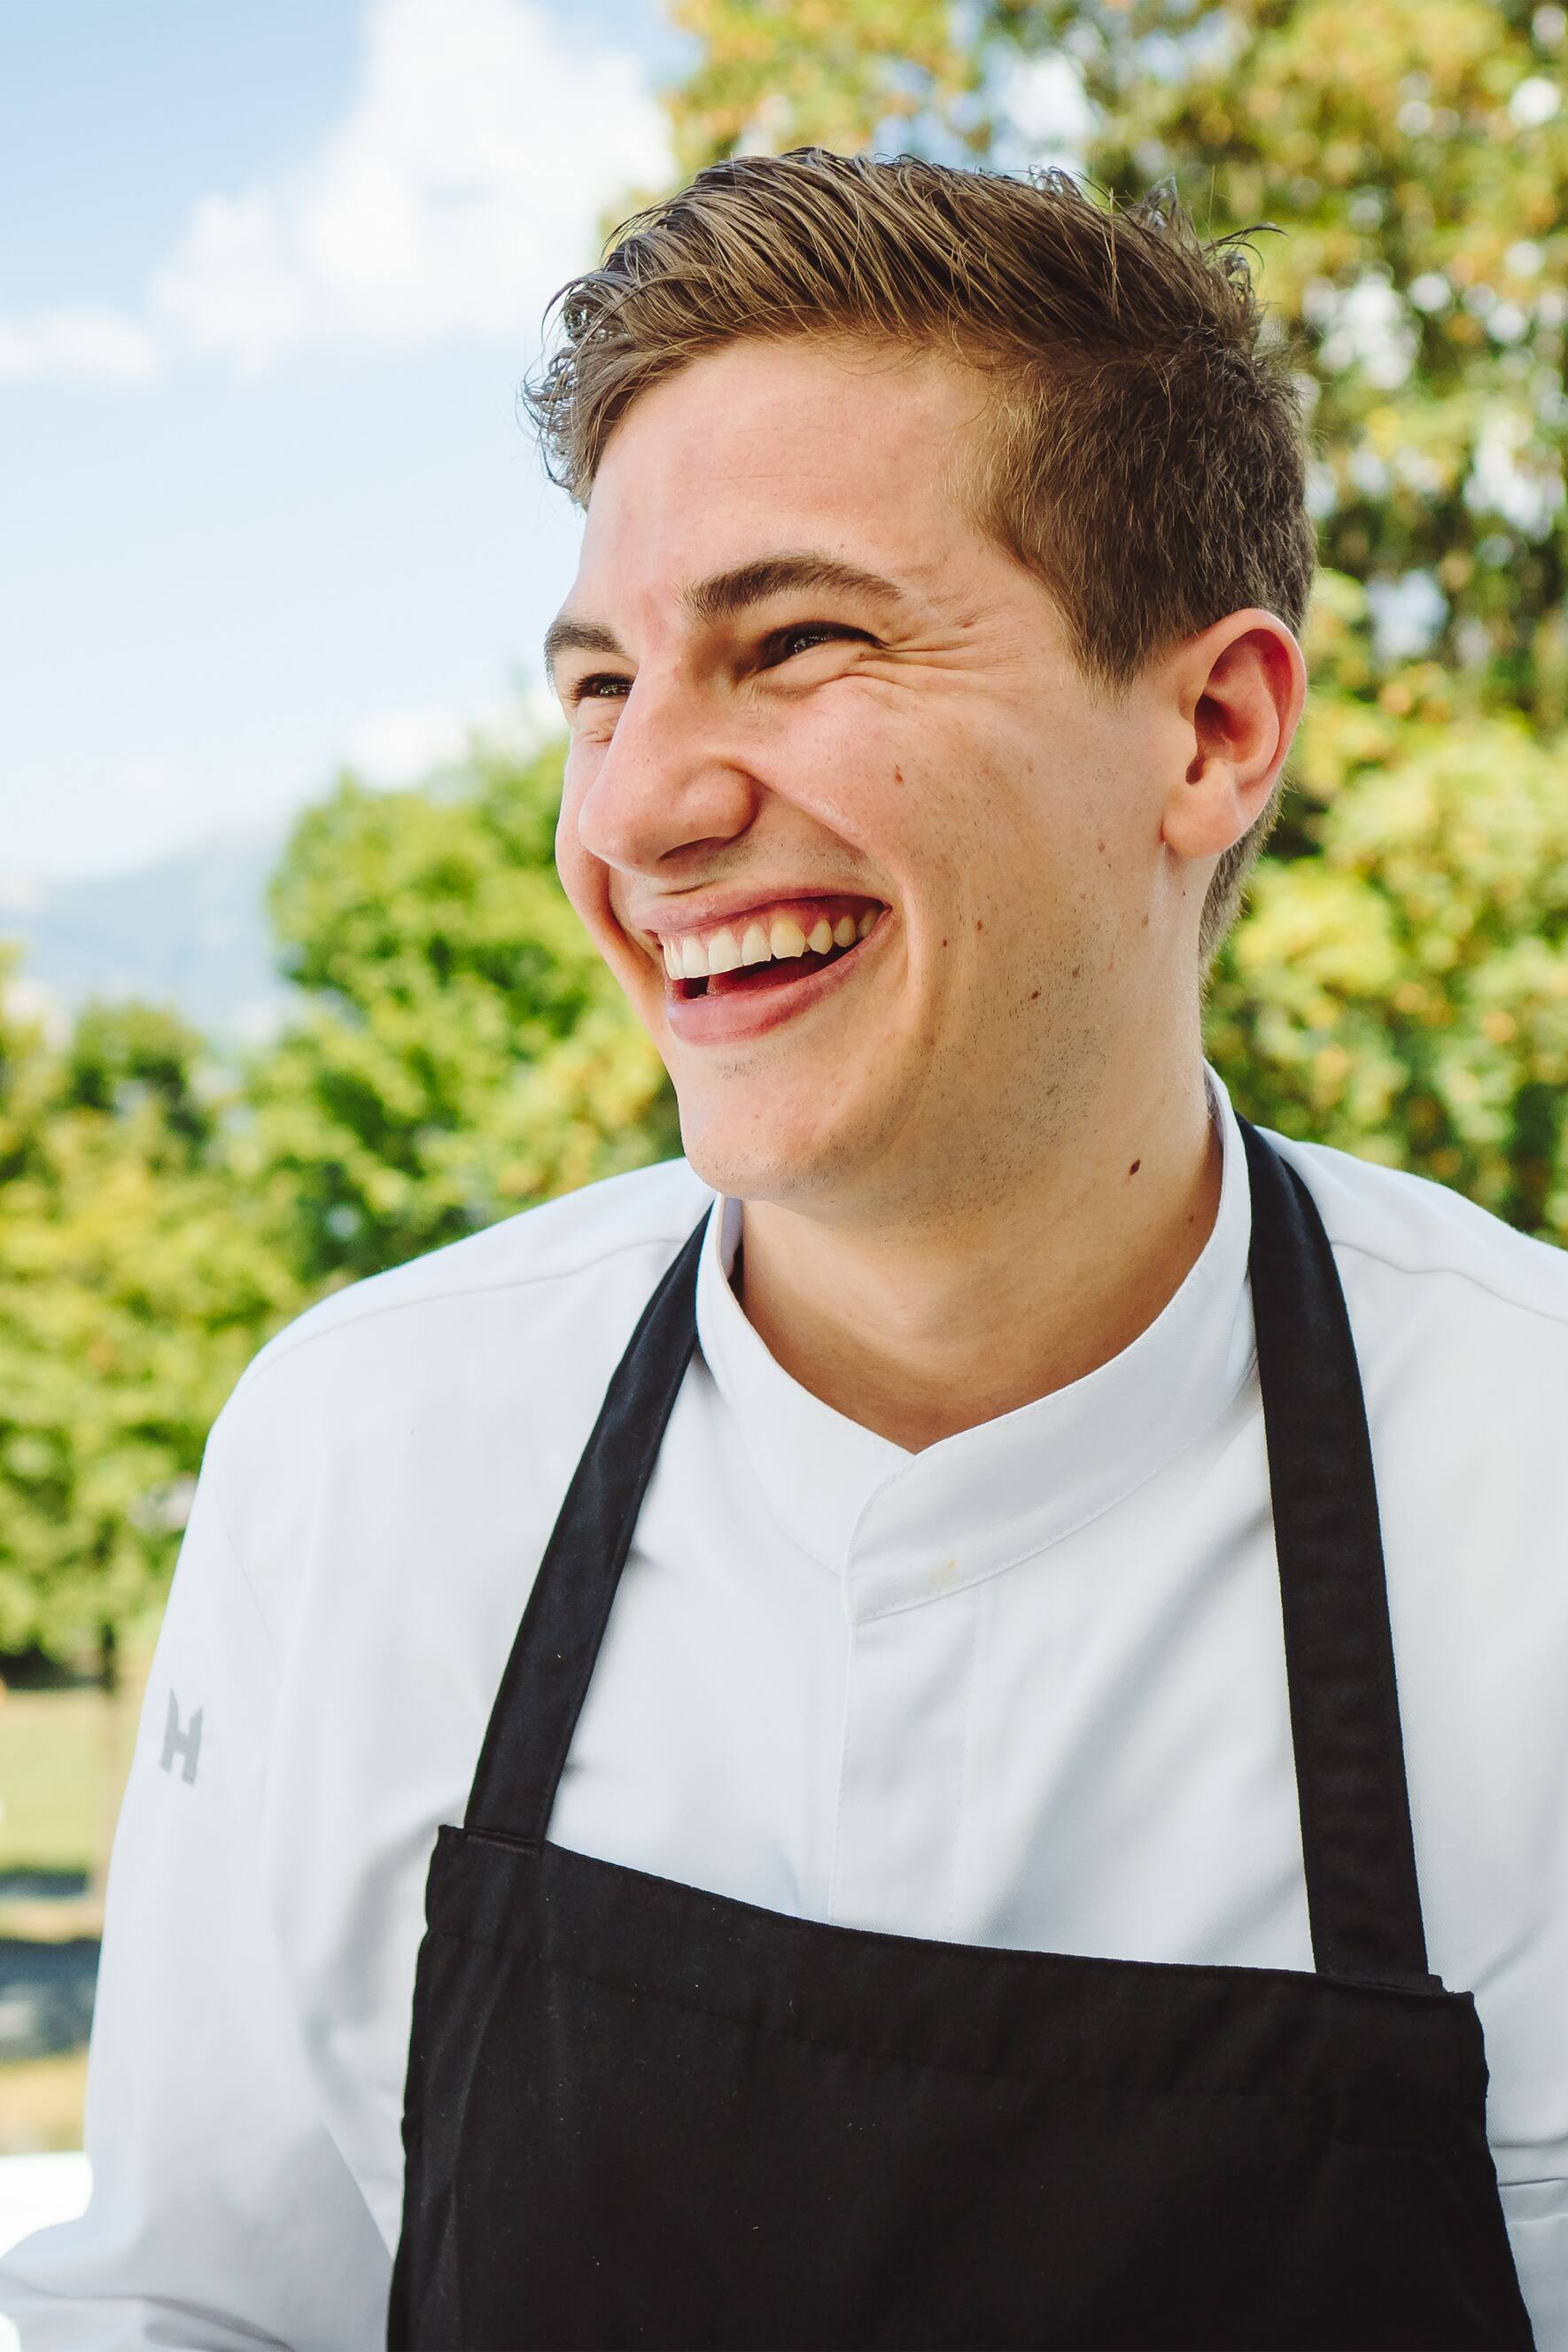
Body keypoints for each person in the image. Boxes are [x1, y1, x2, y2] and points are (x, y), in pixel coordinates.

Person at [2, 149, 1563, 2349]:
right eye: (600, 688)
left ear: (1212, 731)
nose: (634, 813)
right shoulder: (359, 1456)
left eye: (801, 640)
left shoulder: (1532, 1490)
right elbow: (198, 2309)